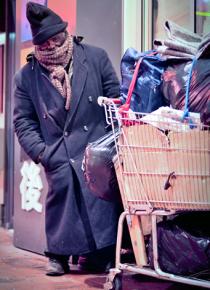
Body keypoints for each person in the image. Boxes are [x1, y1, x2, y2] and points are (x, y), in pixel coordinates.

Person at [13, 1, 121, 276]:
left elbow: (116, 99)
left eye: (55, 40)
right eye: (44, 44)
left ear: (65, 34)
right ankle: (58, 256)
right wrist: (42, 153)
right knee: (62, 205)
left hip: (96, 151)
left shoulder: (95, 57)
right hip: (58, 152)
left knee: (100, 205)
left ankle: (102, 255)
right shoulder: (27, 76)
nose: (51, 47)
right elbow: (23, 121)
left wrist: (109, 144)